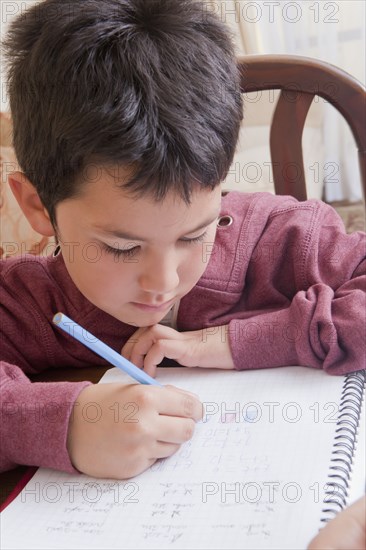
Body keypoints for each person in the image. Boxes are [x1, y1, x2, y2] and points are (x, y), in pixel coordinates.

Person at [1, 0, 365, 483]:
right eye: (122, 247)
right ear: (38, 207)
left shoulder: (286, 239)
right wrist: (65, 425)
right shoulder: (34, 300)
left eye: (196, 234)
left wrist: (232, 344)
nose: (164, 282)